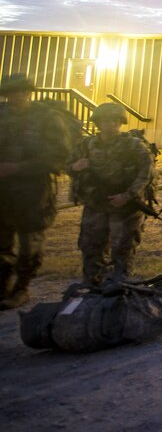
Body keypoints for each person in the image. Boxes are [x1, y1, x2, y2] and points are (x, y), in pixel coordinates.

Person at [0, 74, 75, 309]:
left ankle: (22, 287)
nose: (18, 96)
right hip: (3, 190)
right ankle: (2, 286)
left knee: (29, 241)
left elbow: (60, 155)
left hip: (33, 191)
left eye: (22, 91)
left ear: (29, 92)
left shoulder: (47, 118)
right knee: (1, 242)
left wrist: (19, 167)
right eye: (13, 92)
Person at [69, 102, 154, 285]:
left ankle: (119, 287)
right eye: (106, 120)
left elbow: (146, 172)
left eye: (116, 120)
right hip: (95, 204)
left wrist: (127, 195)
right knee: (91, 246)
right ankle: (92, 285)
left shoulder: (133, 145)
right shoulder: (86, 144)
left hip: (124, 205)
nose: (111, 124)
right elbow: (68, 165)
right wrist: (74, 167)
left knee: (122, 248)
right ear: (98, 122)